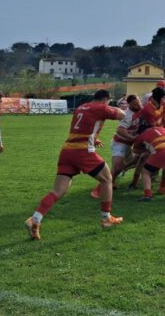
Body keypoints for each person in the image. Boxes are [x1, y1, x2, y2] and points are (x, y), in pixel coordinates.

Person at [25, 89, 126, 240]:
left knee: (58, 191)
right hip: (83, 151)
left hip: (67, 150)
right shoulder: (100, 107)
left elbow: (82, 127)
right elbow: (121, 115)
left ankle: (35, 218)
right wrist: (119, 106)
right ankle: (106, 218)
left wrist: (94, 138)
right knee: (107, 179)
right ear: (105, 100)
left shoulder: (81, 107)